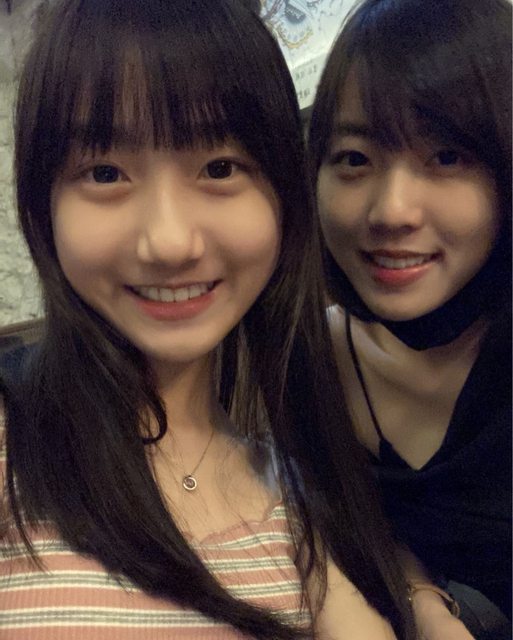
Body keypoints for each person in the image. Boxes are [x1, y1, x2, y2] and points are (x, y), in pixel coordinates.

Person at [0, 1, 417, 638]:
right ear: (42, 204)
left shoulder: (292, 496)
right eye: (105, 173)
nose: (170, 243)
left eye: (220, 168)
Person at [308, 0, 511, 638]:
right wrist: (423, 602)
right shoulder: (308, 357)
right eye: (354, 158)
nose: (391, 210)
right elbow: (352, 522)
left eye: (447, 157)